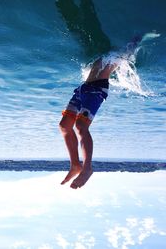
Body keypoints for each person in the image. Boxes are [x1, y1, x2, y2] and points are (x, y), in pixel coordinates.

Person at [59, 35, 143, 189]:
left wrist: (135, 42)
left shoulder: (115, 58)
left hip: (96, 90)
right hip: (84, 89)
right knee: (64, 126)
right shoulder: (111, 57)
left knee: (80, 126)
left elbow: (126, 55)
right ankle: (75, 165)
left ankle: (87, 168)